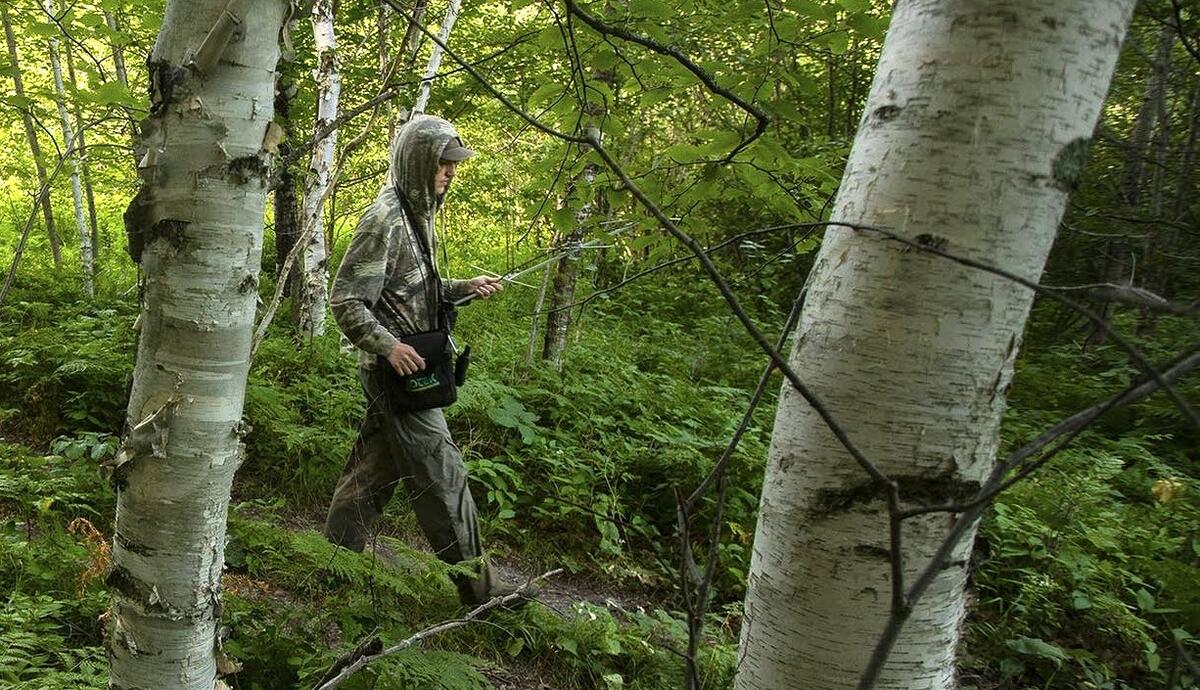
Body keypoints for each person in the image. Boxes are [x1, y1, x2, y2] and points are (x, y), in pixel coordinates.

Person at [323, 114, 522, 606]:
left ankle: (332, 563)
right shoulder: (384, 220)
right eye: (443, 165)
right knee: (443, 475)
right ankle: (482, 592)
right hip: (399, 376)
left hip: (411, 370)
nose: (451, 174)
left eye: (454, 166)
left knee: (372, 470)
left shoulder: (419, 215)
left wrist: (463, 289)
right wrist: (389, 346)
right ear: (417, 163)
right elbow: (346, 301)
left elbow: (413, 291)